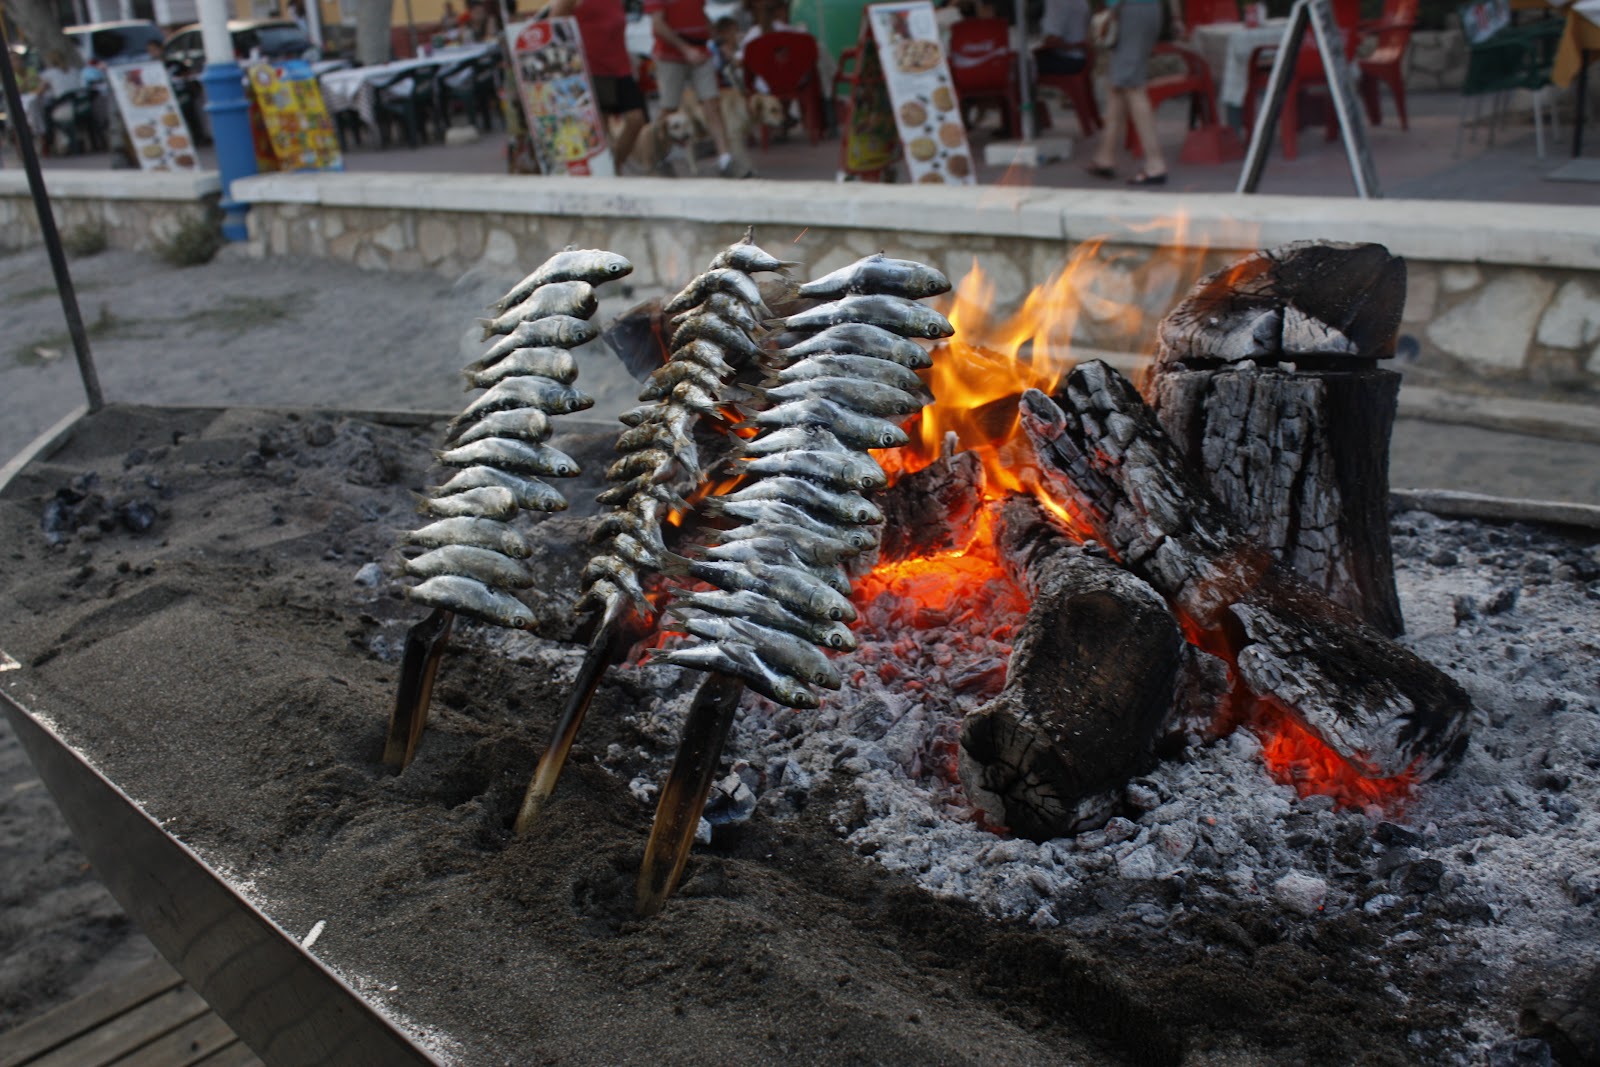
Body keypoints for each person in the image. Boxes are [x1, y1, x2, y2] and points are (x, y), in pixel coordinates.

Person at [1083, 0, 1183, 186]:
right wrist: (1176, 17)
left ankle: (1155, 163)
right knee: (1117, 86)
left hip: (1129, 10)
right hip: (1146, 10)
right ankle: (1105, 156)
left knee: (1132, 87)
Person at [547, 0, 647, 170]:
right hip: (592, 68)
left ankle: (614, 164)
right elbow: (553, 25)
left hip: (620, 66)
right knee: (600, 130)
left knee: (636, 119)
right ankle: (607, 171)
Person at [644, 0, 737, 175]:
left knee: (712, 102)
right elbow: (658, 24)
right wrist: (685, 48)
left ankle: (725, 157)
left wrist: (719, 42)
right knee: (668, 107)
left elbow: (700, 14)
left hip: (700, 49)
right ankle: (657, 154)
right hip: (670, 54)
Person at [1036, 0, 1089, 75]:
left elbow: (1051, 40)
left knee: (1025, 63)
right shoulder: (1082, 2)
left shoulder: (1056, 2)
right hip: (1082, 58)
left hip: (1069, 60)